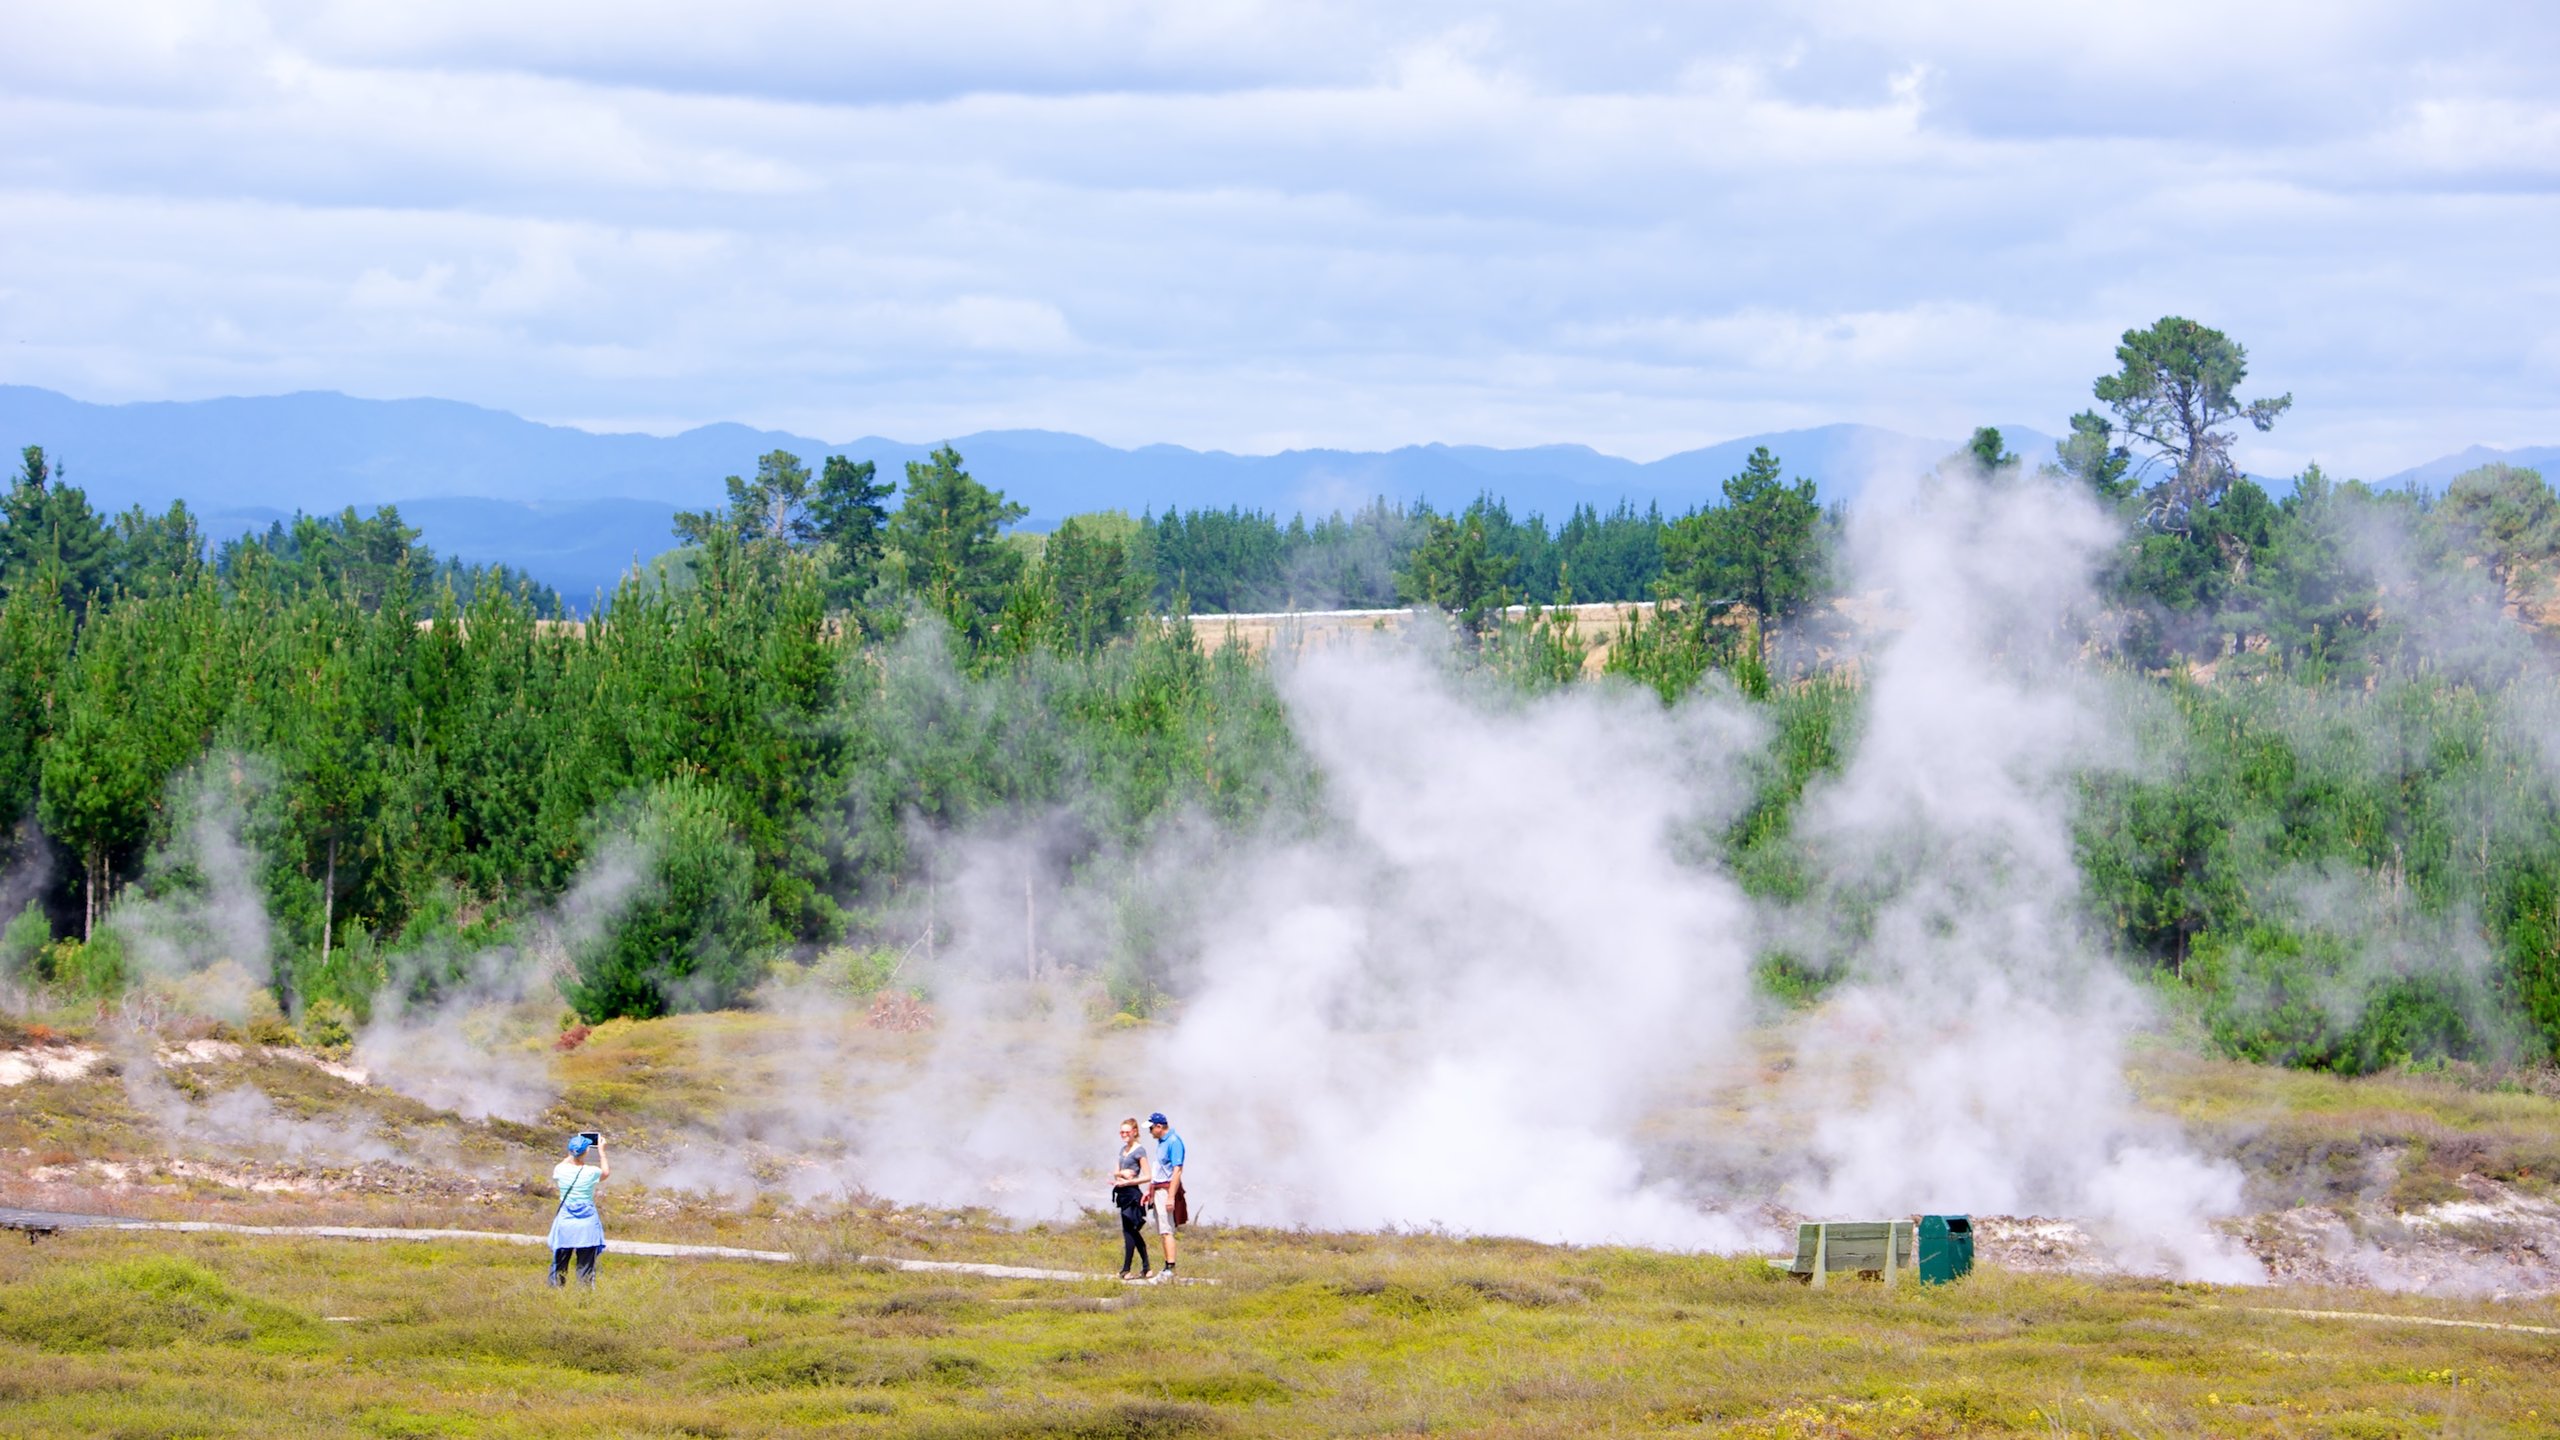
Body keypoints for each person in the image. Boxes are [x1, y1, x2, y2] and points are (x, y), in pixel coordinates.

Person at [548, 1132, 608, 1288]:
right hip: (587, 1224)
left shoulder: (560, 1169)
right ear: (587, 1152)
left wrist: (572, 1153)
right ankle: (584, 1296)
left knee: (560, 1262)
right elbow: (605, 1173)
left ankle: (555, 1293)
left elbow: (564, 1163)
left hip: (565, 1222)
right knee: (585, 1264)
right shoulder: (591, 1172)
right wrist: (602, 1152)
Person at [1144, 1112, 1186, 1278]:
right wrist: (1150, 1189)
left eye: (1151, 1128)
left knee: (1167, 1229)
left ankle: (1170, 1266)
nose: (1150, 1132)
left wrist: (1170, 1196)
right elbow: (1158, 1168)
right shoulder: (1162, 1142)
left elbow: (1177, 1170)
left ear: (1159, 1127)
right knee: (1162, 1229)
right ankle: (1167, 1265)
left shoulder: (1174, 1142)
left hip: (1166, 1190)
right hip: (1158, 1189)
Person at [1110, 1116, 1152, 1280]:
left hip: (1133, 1193)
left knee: (1130, 1231)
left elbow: (1148, 1176)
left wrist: (1131, 1180)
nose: (1124, 1134)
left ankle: (1127, 1269)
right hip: (1122, 1194)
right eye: (1121, 1132)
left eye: (1127, 1131)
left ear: (1134, 1132)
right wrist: (1122, 1174)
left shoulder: (1139, 1150)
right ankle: (1145, 1268)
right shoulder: (1123, 1149)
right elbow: (1116, 1171)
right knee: (1130, 1231)